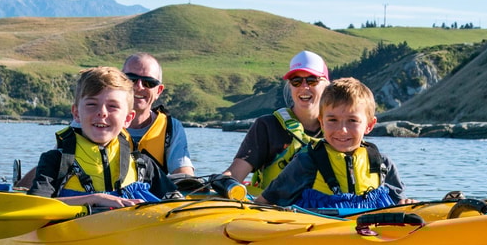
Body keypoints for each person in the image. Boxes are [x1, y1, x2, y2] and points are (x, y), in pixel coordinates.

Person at [27, 67, 173, 208]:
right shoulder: (56, 161)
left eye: (112, 106)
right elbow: (37, 206)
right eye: (92, 104)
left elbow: (176, 203)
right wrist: (95, 199)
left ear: (128, 118)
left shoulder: (143, 164)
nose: (102, 112)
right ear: (76, 113)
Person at [254, 77, 409, 209]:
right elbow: (265, 202)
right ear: (321, 122)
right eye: (332, 120)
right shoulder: (306, 162)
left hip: (370, 235)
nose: (342, 130)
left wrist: (408, 204)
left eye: (352, 121)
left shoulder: (382, 164)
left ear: (369, 125)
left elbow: (400, 203)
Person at [221, 50, 328, 195]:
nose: (304, 86)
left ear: (326, 85)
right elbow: (234, 175)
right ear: (290, 86)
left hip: (325, 212)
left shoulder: (340, 128)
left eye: (312, 80)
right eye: (296, 81)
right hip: (273, 210)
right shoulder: (266, 126)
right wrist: (215, 185)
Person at [121, 53, 195, 175]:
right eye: (131, 79)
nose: (139, 87)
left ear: (159, 91)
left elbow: (184, 176)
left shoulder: (171, 128)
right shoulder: (99, 121)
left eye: (148, 82)